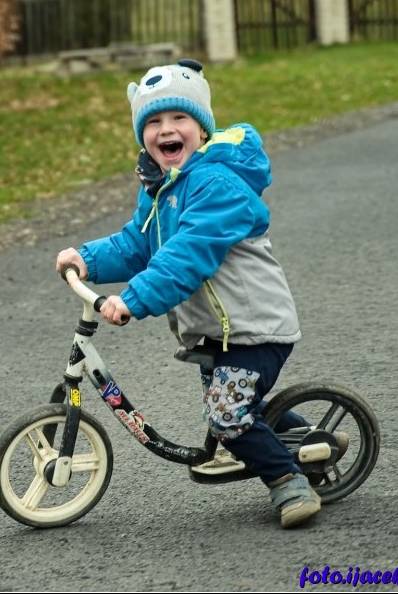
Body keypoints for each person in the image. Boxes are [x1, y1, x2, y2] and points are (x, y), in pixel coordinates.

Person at [54, 59, 320, 529]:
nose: (166, 130)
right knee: (239, 409)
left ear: (201, 128)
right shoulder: (161, 188)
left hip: (254, 329)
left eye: (179, 118)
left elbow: (187, 254)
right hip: (214, 334)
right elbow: (139, 242)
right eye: (153, 123)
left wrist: (133, 299)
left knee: (227, 414)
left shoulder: (218, 186)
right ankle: (296, 440)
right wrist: (88, 259)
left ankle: (287, 480)